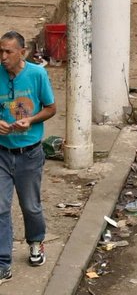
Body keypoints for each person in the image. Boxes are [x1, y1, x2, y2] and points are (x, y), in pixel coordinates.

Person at [0, 30, 55, 277]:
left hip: (29, 153)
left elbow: (51, 108)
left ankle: (35, 241)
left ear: (22, 52)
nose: (3, 57)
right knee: (0, 207)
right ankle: (3, 261)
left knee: (30, 206)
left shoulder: (37, 74)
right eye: (0, 51)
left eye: (8, 52)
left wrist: (31, 120)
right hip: (2, 152)